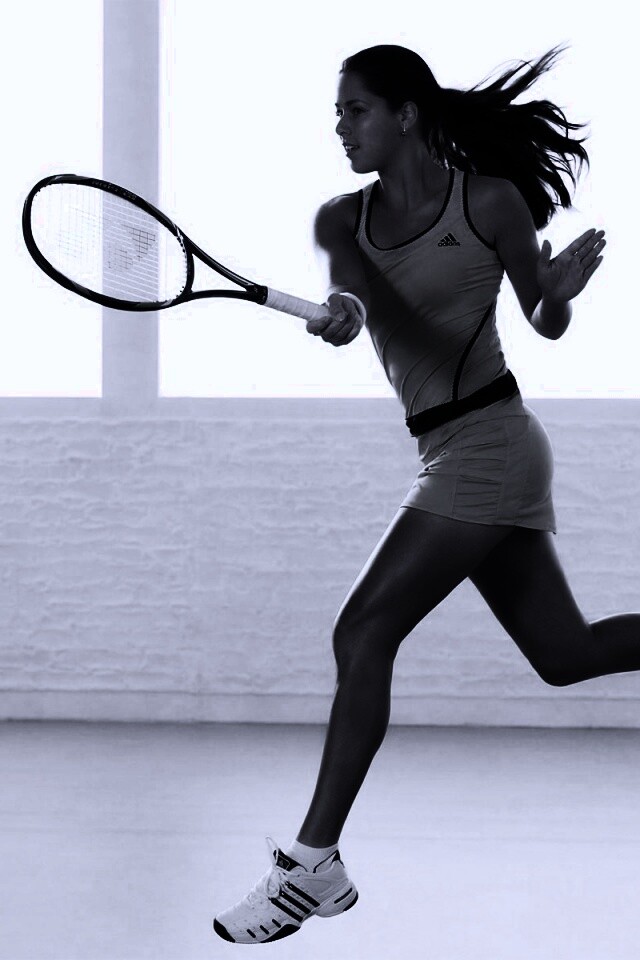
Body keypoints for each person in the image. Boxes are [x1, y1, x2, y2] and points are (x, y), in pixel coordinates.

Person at [214, 43, 635, 945]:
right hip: (444, 447)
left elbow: (544, 321)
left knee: (362, 631)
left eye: (356, 110)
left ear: (406, 114)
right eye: (338, 113)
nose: (341, 127)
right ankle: (318, 867)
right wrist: (342, 317)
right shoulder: (341, 220)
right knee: (565, 655)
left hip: (493, 441)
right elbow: (362, 307)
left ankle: (311, 864)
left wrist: (558, 293)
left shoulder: (488, 201)